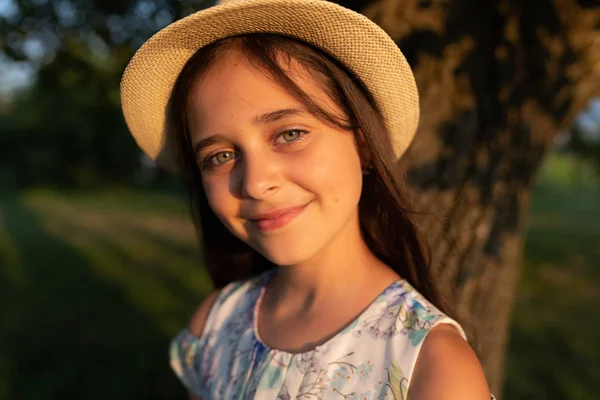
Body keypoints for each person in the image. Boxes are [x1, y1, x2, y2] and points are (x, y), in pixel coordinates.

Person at [120, 0, 496, 398]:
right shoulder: (215, 326)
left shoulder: (432, 368)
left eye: (289, 134)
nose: (255, 182)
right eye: (221, 156)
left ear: (364, 145)